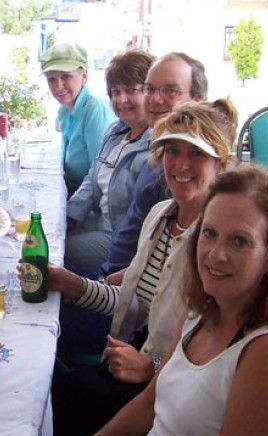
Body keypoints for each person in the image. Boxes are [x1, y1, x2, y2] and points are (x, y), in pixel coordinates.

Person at [53, 165, 268, 436]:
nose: (215, 254)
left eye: (240, 241)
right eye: (209, 233)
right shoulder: (203, 308)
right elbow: (149, 403)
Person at [50, 99, 238, 436]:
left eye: (196, 154)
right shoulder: (160, 215)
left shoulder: (216, 247)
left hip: (165, 391)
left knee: (59, 399)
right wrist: (72, 284)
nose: (181, 165)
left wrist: (150, 367)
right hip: (133, 356)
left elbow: (211, 353)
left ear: (221, 165)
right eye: (171, 151)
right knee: (45, 377)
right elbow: (137, 303)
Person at [100, 52, 209, 279]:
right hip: (115, 276)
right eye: (149, 89)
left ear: (198, 100)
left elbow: (165, 273)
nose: (155, 100)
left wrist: (99, 286)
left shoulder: (189, 173)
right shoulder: (158, 152)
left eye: (170, 91)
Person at [65, 49, 155, 273]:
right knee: (41, 235)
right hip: (97, 220)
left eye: (132, 90)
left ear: (151, 93)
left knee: (49, 253)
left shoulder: (155, 148)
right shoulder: (116, 132)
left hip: (118, 239)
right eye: (115, 92)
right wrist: (70, 215)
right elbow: (92, 176)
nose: (122, 100)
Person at [40, 42, 116, 196]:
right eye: (51, 79)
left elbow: (100, 174)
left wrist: (74, 210)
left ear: (84, 76)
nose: (58, 86)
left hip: (92, 201)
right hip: (72, 189)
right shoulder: (64, 109)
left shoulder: (93, 109)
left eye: (66, 76)